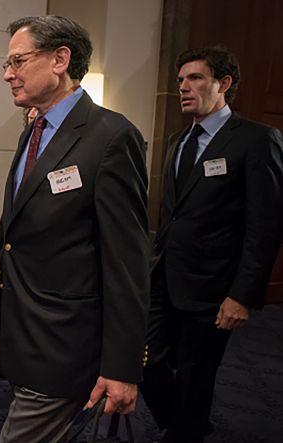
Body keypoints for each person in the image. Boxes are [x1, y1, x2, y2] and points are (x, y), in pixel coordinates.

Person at [0, 15, 149, 442]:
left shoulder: (112, 137)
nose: (8, 74)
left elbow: (127, 263)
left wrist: (121, 368)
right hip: (26, 333)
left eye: (18, 61)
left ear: (60, 59)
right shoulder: (32, 131)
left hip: (66, 343)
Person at [140, 46, 283, 443]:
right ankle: (186, 424)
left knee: (195, 376)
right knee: (142, 359)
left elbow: (266, 227)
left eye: (195, 78)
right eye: (181, 80)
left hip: (214, 287)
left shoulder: (256, 140)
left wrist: (242, 295)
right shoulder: (176, 141)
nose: (184, 87)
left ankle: (184, 432)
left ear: (224, 84)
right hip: (165, 279)